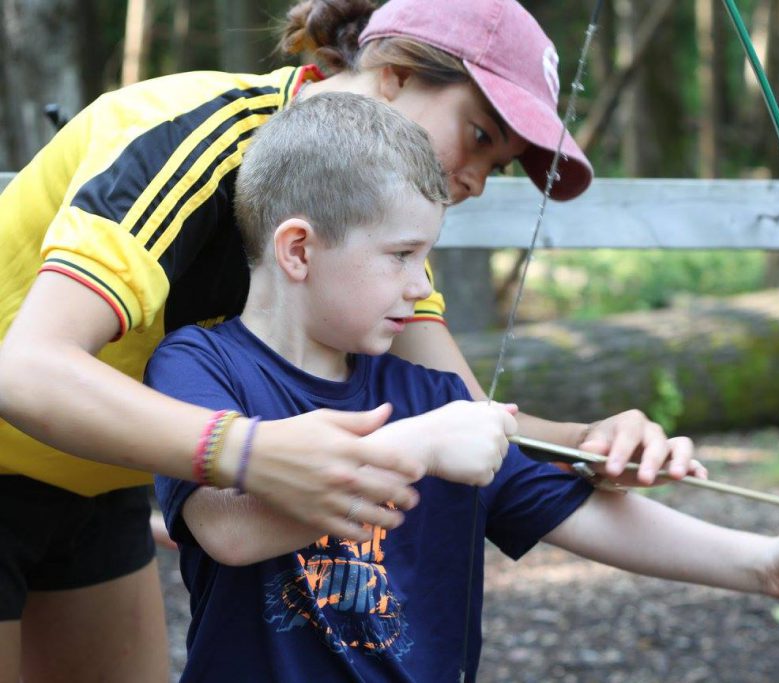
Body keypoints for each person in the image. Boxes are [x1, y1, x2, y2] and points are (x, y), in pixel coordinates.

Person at [0, 1, 698, 679]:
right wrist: (250, 452)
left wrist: (589, 443)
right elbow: (26, 370)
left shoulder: (374, 251)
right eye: (480, 136)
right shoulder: (187, 131)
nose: (477, 180)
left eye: (501, 163)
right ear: (392, 71)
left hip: (98, 472)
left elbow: (466, 419)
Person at [150, 90, 779, 682]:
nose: (418, 285)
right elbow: (229, 527)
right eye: (401, 256)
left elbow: (572, 508)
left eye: (424, 257)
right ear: (299, 249)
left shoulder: (431, 396)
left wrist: (764, 563)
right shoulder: (200, 366)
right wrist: (420, 448)